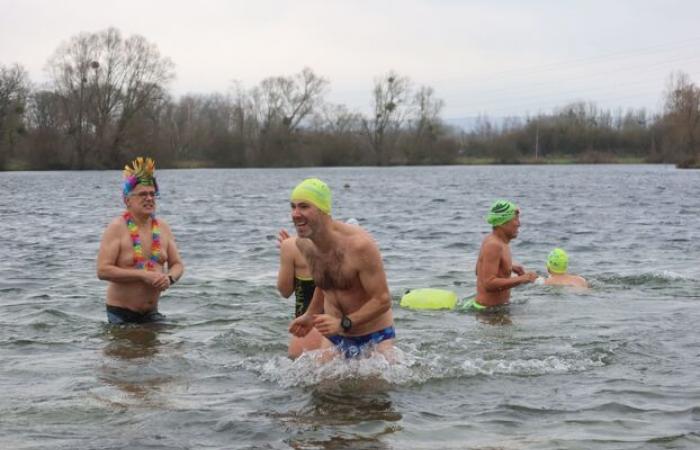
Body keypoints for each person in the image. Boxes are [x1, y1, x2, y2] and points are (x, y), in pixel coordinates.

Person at [286, 178, 395, 359]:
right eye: (293, 207)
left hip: (374, 337)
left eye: (304, 207)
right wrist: (310, 315)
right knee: (318, 385)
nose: (295, 214)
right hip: (336, 336)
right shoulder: (305, 245)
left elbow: (383, 300)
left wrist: (344, 323)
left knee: (374, 386)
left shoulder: (359, 246)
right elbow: (325, 283)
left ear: (323, 210)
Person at [97, 157, 184, 324]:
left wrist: (169, 278)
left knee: (174, 346)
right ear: (127, 200)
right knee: (130, 349)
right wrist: (142, 275)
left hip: (152, 313)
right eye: (143, 194)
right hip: (121, 313)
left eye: (152, 194)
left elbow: (177, 264)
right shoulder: (116, 228)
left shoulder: (163, 227)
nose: (149, 198)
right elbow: (102, 271)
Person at [466, 199, 538, 311]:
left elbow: (478, 270)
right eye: (515, 219)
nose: (519, 224)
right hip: (488, 312)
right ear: (502, 223)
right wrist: (522, 279)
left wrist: (508, 267)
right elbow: (488, 283)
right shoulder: (493, 245)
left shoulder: (496, 241)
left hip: (496, 309)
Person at [276, 227, 324, 358]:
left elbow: (284, 291)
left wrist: (287, 254)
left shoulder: (291, 246)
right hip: (342, 327)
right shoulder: (348, 242)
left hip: (307, 332)